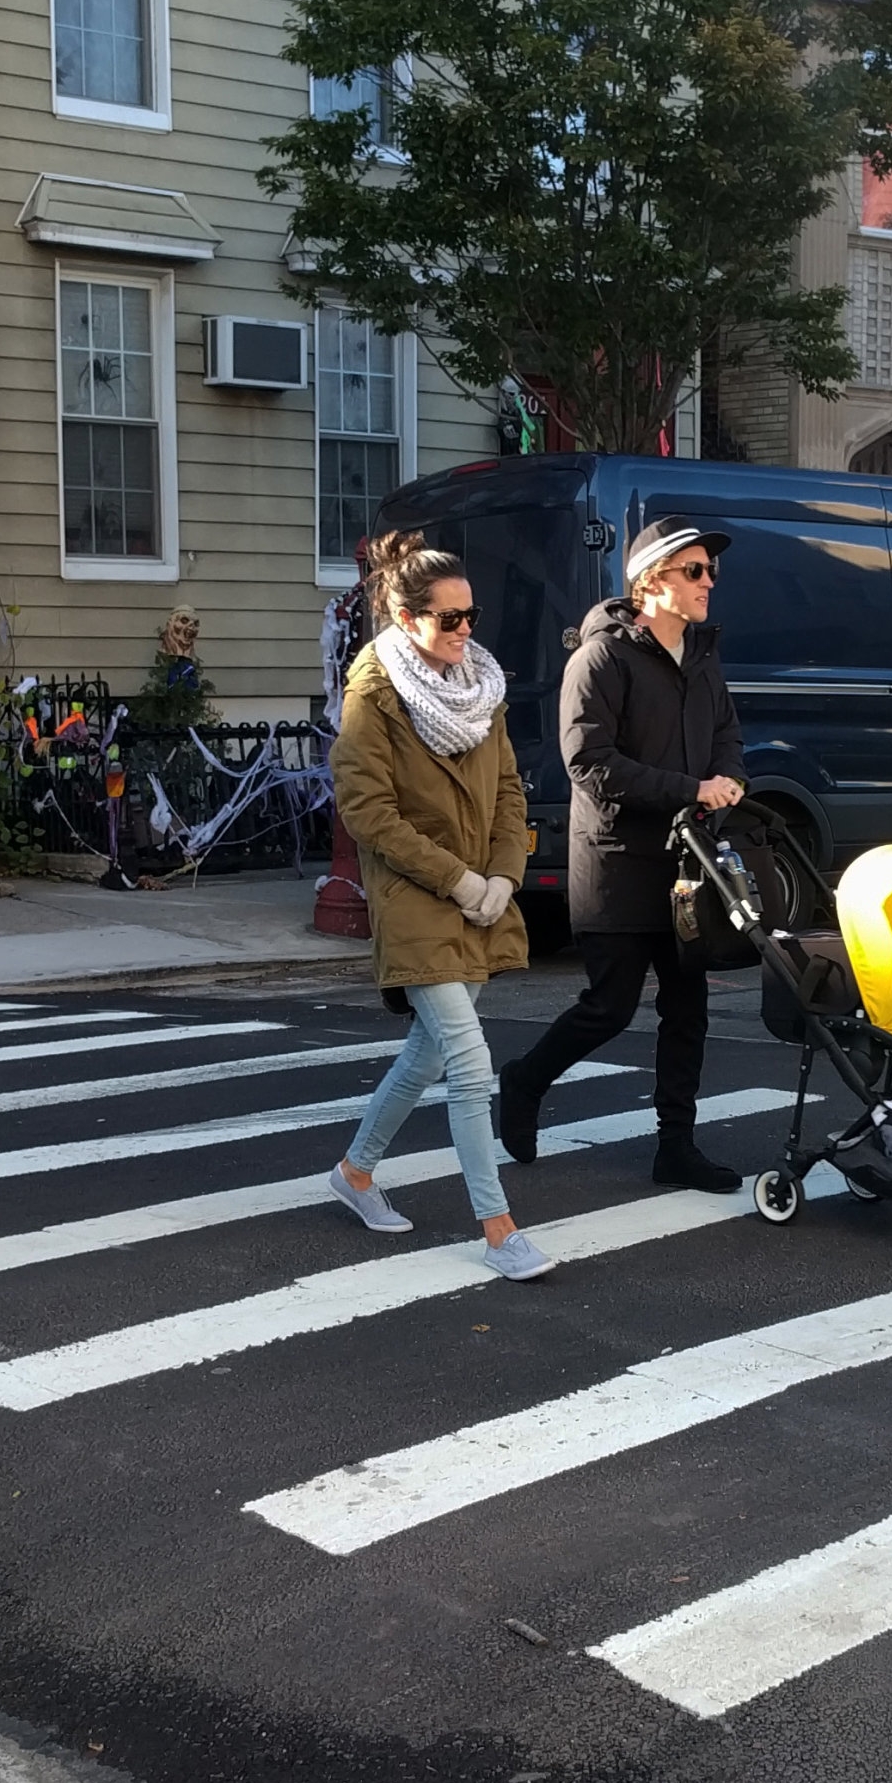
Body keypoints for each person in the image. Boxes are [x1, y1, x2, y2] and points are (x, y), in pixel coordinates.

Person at [326, 529, 556, 1280]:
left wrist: (502, 876)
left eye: (470, 615)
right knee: (466, 1061)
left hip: (481, 895)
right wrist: (458, 880)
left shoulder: (481, 687)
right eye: (448, 618)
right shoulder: (374, 696)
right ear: (405, 617)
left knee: (427, 1055)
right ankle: (498, 1230)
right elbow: (368, 812)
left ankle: (354, 1174)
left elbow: (508, 791)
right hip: (415, 892)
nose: (464, 630)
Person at [496, 516, 746, 1193]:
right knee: (609, 1005)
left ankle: (676, 1146)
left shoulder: (701, 654)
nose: (707, 583)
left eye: (709, 571)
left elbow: (726, 731)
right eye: (692, 571)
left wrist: (724, 781)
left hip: (686, 862)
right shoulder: (600, 658)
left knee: (686, 1005)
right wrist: (689, 787)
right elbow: (588, 763)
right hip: (617, 860)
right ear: (648, 583)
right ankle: (523, 1079)